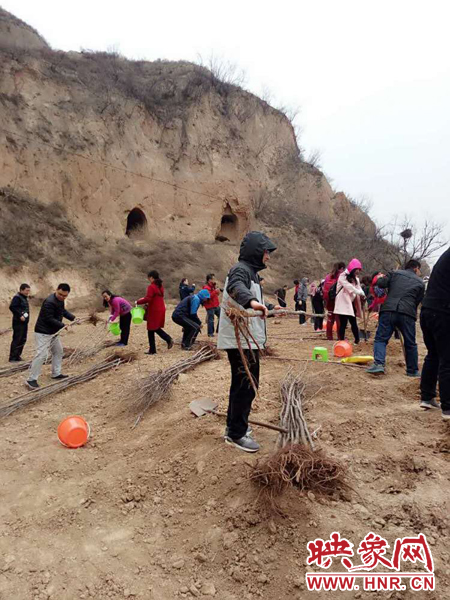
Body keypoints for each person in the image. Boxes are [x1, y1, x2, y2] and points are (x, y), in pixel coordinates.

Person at [218, 231, 282, 453]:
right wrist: (253, 303)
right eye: (266, 252)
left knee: (243, 385)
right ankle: (236, 433)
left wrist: (270, 308)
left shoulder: (251, 273)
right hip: (240, 340)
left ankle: (235, 427)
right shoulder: (240, 270)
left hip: (247, 340)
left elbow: (252, 299)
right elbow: (236, 288)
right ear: (256, 251)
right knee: (245, 386)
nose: (268, 257)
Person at [366, 260, 425, 376]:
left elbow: (380, 284)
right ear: (416, 268)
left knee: (381, 339)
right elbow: (418, 300)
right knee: (410, 343)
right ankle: (412, 370)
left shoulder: (394, 273)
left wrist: (383, 277)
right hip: (407, 313)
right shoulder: (420, 282)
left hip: (388, 310)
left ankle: (379, 364)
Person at [26, 283, 77, 390]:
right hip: (43, 332)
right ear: (56, 290)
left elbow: (62, 311)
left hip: (53, 332)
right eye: (60, 294)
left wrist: (73, 318)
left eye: (65, 296)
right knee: (41, 355)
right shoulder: (49, 302)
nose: (62, 297)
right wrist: (63, 325)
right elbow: (48, 318)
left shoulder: (60, 301)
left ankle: (56, 373)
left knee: (58, 351)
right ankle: (31, 379)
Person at [419, 247, 450, 415]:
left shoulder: (445, 257)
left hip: (428, 310)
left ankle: (427, 397)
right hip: (442, 311)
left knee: (434, 355)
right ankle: (448, 407)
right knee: (447, 358)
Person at [136, 270, 173, 354]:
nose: (149, 280)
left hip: (154, 310)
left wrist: (137, 302)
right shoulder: (160, 286)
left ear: (152, 278)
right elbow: (153, 298)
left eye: (149, 278)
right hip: (161, 308)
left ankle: (168, 339)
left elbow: (148, 298)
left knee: (153, 327)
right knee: (152, 328)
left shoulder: (151, 287)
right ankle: (152, 350)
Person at [334, 259, 365, 344]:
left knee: (353, 322)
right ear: (352, 269)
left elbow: (359, 288)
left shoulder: (356, 278)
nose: (357, 272)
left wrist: (363, 294)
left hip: (351, 303)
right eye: (356, 270)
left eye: (359, 270)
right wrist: (359, 292)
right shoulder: (342, 276)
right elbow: (349, 287)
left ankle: (357, 340)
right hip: (343, 303)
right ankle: (341, 341)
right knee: (343, 324)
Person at [323, 262, 345, 341]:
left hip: (329, 300)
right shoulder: (341, 276)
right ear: (342, 268)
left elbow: (324, 289)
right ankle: (340, 337)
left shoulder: (328, 276)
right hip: (338, 300)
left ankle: (329, 337)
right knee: (339, 319)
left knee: (330, 318)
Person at [9, 283, 31, 362]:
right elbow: (12, 307)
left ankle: (17, 355)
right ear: (21, 290)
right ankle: (12, 357)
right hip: (18, 322)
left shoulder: (24, 298)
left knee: (23, 339)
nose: (28, 292)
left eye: (29, 291)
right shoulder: (17, 297)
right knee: (17, 339)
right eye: (26, 290)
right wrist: (20, 315)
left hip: (24, 322)